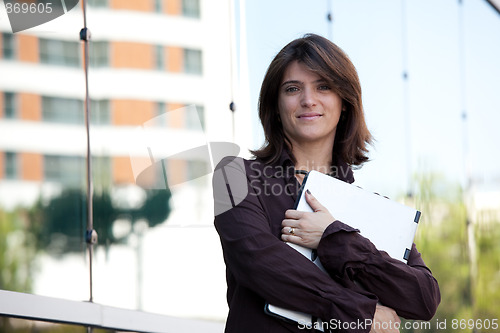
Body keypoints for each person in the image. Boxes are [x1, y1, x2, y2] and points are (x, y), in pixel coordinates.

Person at [213, 33, 440, 333]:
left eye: (323, 86)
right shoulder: (234, 175)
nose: (308, 100)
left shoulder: (373, 209)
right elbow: (259, 264)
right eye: (293, 89)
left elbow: (423, 297)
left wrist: (333, 238)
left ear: (344, 102)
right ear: (276, 106)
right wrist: (361, 313)